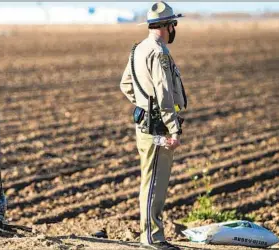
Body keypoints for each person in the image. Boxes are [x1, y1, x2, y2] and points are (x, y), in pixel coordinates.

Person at [119, 2, 187, 250]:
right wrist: (173, 128)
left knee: (151, 180)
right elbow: (165, 95)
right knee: (154, 183)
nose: (174, 29)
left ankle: (153, 235)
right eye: (173, 24)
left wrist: (143, 105)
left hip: (146, 125)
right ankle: (152, 238)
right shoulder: (158, 53)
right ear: (167, 26)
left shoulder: (138, 49)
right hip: (158, 129)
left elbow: (125, 84)